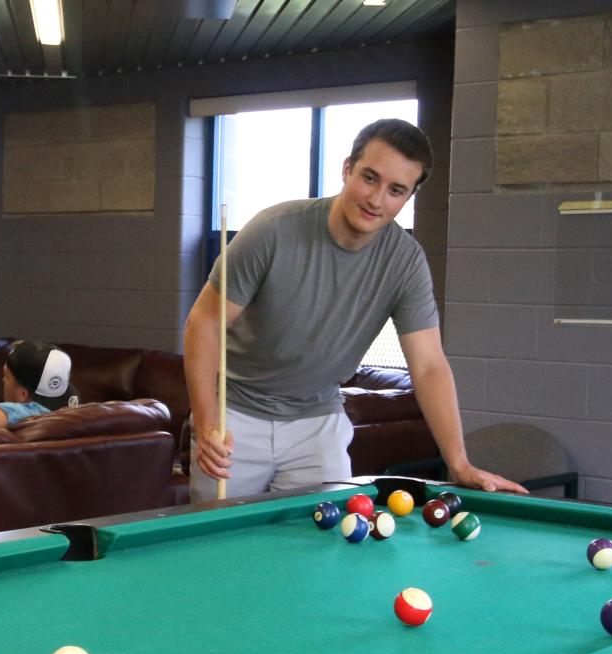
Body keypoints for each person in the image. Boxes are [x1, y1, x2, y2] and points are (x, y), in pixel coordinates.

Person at [184, 119, 528, 502]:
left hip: (318, 421)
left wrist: (459, 463)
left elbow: (429, 365)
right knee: (220, 546)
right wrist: (207, 419)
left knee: (327, 547)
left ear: (408, 197)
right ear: (347, 169)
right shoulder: (273, 230)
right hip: (235, 415)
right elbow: (205, 323)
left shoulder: (405, 262)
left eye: (396, 190)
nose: (377, 199)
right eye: (369, 178)